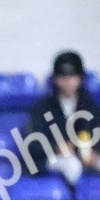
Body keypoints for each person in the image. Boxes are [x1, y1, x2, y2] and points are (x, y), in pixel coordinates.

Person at [26, 51, 100, 184]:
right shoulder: (43, 107)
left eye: (73, 76)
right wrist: (56, 147)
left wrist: (94, 153)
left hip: (86, 157)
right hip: (54, 158)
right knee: (72, 165)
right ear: (55, 79)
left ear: (80, 78)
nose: (68, 82)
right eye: (63, 77)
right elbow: (33, 143)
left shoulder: (90, 106)